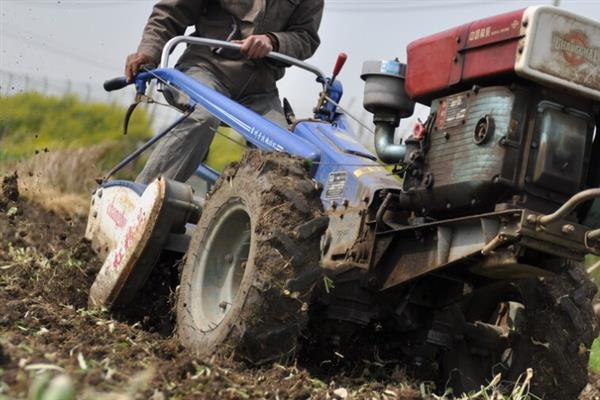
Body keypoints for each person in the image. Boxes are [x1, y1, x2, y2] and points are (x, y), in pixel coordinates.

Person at [126, 0, 324, 184]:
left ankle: (263, 217)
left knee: (285, 153)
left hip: (260, 89)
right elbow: (172, 11)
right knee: (203, 115)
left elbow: (306, 37)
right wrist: (149, 51)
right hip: (206, 68)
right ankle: (141, 201)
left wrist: (273, 41)